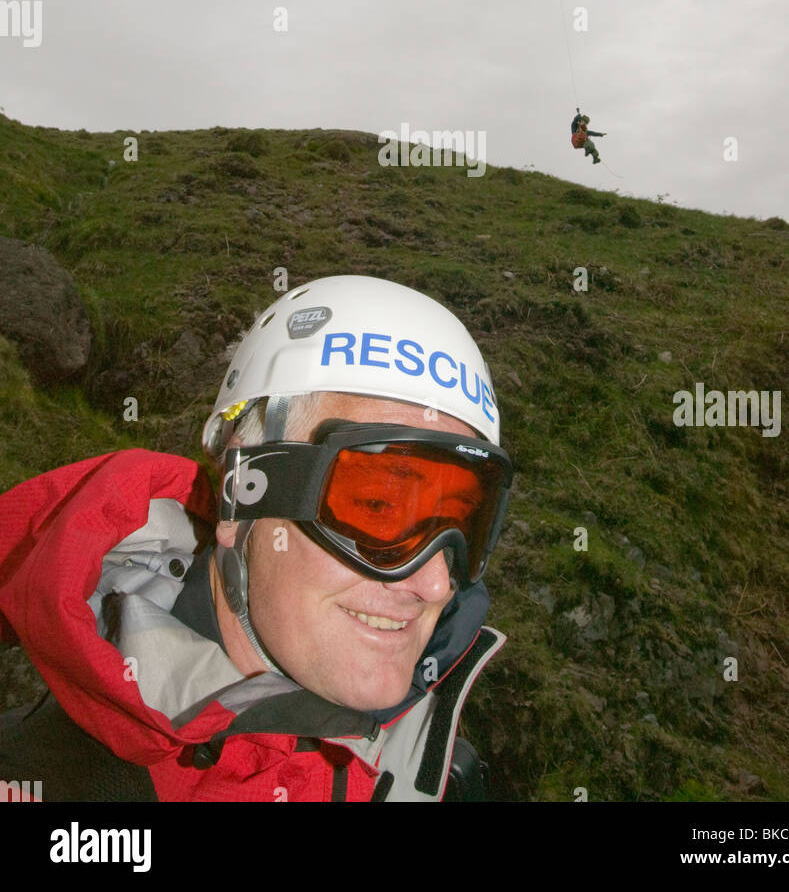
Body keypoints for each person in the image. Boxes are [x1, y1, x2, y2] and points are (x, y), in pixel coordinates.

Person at [0, 275, 512, 802]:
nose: (433, 583)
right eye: (377, 506)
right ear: (239, 496)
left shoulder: (438, 774)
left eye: (461, 523)